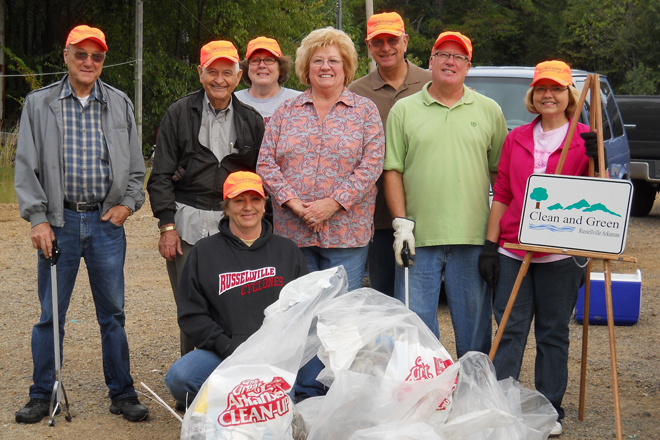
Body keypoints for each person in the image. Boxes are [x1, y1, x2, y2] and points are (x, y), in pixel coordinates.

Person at [14, 25, 148, 423]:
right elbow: (26, 166)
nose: (89, 62)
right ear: (66, 56)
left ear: (103, 61)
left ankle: (122, 392)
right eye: (81, 54)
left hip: (106, 224)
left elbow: (136, 167)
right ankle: (42, 393)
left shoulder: (120, 103)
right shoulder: (39, 103)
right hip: (60, 223)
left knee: (114, 314)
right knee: (50, 314)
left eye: (97, 56)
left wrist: (128, 205)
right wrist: (38, 219)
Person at [256, 27, 384, 400]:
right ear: (305, 68)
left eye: (333, 61)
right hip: (294, 232)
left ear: (346, 67)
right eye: (317, 61)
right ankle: (303, 392)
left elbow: (372, 164)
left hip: (346, 233)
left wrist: (333, 203)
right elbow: (266, 164)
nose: (325, 67)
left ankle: (339, 393)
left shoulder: (365, 111)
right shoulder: (286, 111)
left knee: (340, 317)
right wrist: (295, 204)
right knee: (301, 314)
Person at [479, 60, 600, 437]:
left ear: (569, 95)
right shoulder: (516, 138)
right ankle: (501, 403)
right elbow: (503, 192)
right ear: (533, 95)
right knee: (509, 329)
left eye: (557, 89)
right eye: (542, 89)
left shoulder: (585, 137)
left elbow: (602, 191)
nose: (549, 95)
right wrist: (490, 245)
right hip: (513, 249)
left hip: (560, 255)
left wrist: (599, 158)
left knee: (553, 333)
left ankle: (550, 408)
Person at [383, 31, 507, 357]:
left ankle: (473, 385)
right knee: (415, 334)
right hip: (418, 238)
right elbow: (392, 170)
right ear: (431, 61)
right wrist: (401, 225)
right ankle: (426, 385)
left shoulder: (489, 111)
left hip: (472, 238)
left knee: (475, 334)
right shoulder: (403, 110)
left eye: (458, 57)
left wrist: (496, 237)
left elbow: (501, 176)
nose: (450, 62)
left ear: (468, 66)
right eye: (443, 55)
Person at [147, 40, 265, 357]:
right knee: (192, 307)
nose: (219, 80)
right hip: (188, 224)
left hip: (235, 225)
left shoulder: (252, 120)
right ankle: (191, 378)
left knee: (236, 303)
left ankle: (233, 375)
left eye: (227, 72)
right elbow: (160, 176)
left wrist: (259, 230)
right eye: (212, 71)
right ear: (200, 73)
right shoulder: (178, 114)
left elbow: (260, 180)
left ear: (238, 76)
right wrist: (167, 226)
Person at [165, 171, 309, 408]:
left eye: (255, 199)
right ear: (226, 207)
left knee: (276, 410)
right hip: (224, 353)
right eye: (239, 200)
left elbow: (303, 309)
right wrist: (227, 347)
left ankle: (238, 400)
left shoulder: (287, 250)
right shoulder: (204, 252)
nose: (248, 207)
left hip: (274, 356)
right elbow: (192, 314)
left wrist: (278, 350)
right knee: (180, 377)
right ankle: (233, 399)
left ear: (265, 204)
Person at [348, 12, 432, 297]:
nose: (386, 48)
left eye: (392, 40)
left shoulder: (432, 83)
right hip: (379, 215)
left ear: (405, 41)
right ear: (368, 47)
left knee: (418, 300)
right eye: (378, 42)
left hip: (426, 213)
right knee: (383, 298)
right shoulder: (356, 92)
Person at [235, 36, 301, 123]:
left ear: (280, 68)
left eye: (269, 60)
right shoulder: (233, 102)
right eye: (255, 60)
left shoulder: (299, 102)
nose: (262, 65)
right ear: (247, 68)